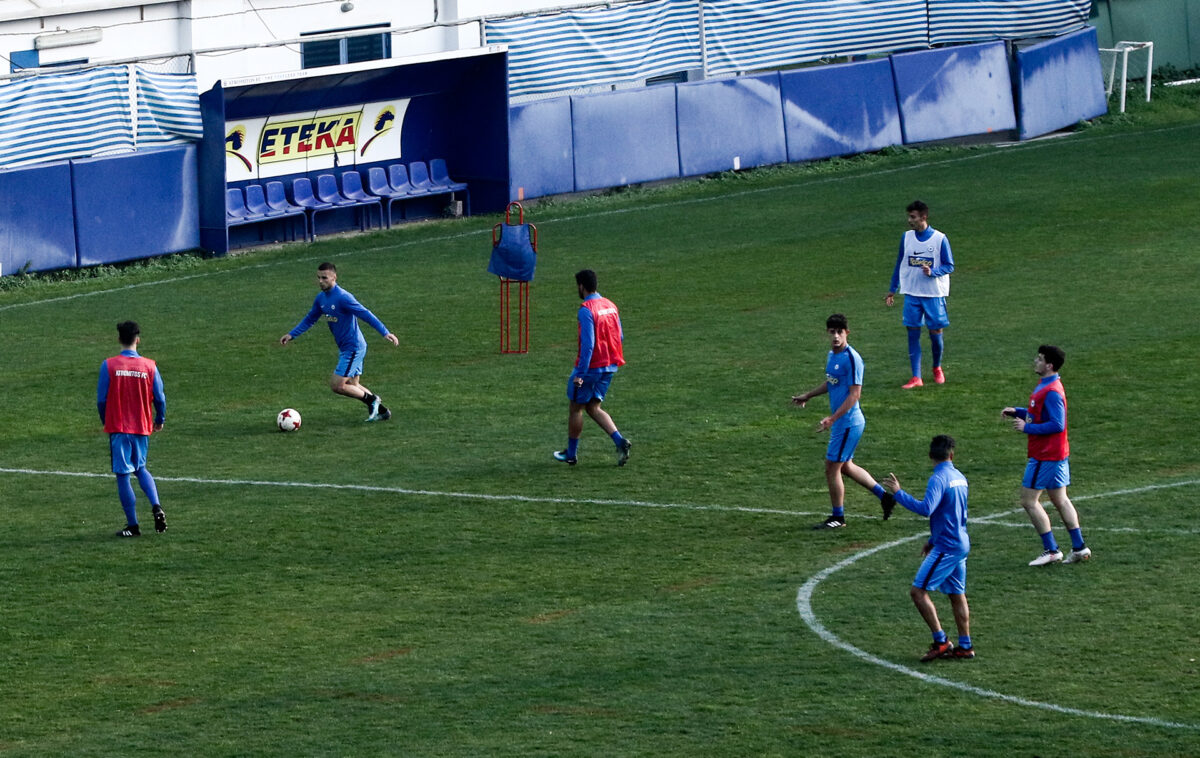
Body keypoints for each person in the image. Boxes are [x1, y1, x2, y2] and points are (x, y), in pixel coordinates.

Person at [791, 313, 895, 529]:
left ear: (847, 333)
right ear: (827, 333)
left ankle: (838, 518)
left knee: (831, 467)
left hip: (848, 421)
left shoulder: (852, 359)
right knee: (845, 465)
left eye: (840, 332)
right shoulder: (832, 355)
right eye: (832, 332)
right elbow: (832, 383)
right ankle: (885, 498)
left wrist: (832, 418)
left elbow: (855, 394)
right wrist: (807, 395)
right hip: (842, 422)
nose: (836, 336)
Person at [883, 434, 973, 661]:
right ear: (951, 455)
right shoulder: (960, 477)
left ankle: (941, 642)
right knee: (956, 594)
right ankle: (965, 645)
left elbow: (927, 509)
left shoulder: (938, 479)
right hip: (960, 541)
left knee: (918, 592)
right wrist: (932, 540)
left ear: (931, 456)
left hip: (948, 546)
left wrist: (899, 493)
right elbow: (956, 515)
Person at [1002, 345, 1091, 566]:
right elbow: (1040, 414)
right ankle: (1079, 547)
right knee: (1060, 499)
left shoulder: (1051, 391)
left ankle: (1051, 550)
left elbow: (1057, 424)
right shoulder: (1049, 386)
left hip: (1046, 455)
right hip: (1057, 454)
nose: (1036, 361)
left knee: (1028, 500)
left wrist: (1027, 428)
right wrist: (1019, 411)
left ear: (1049, 365)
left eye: (1040, 359)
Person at [280, 262, 399, 422]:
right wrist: (292, 334)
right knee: (353, 384)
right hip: (345, 347)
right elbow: (310, 319)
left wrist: (385, 332)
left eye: (324, 278)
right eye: (318, 278)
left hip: (353, 347)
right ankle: (382, 412)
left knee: (337, 385)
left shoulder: (343, 297)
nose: (320, 281)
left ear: (334, 277)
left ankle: (372, 400)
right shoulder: (321, 298)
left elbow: (365, 314)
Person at [554, 269, 632, 466]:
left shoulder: (586, 309)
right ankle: (620, 442)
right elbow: (619, 336)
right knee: (593, 407)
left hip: (591, 367)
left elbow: (588, 345)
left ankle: (571, 454)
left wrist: (580, 374)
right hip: (610, 365)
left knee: (575, 408)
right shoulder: (610, 305)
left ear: (582, 286)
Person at [97, 321, 167, 537]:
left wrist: (105, 421)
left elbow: (101, 400)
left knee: (123, 475)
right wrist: (159, 419)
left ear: (119, 339)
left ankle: (133, 525)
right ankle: (156, 506)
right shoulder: (149, 366)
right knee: (141, 468)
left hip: (119, 427)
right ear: (138, 339)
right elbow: (160, 398)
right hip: (141, 427)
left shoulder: (109, 365)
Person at [885, 200, 955, 389]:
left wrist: (933, 272)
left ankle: (936, 367)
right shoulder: (906, 238)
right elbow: (900, 263)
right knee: (912, 332)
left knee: (935, 334)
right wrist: (892, 289)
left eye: (913, 217)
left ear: (924, 217)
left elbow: (950, 265)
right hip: (912, 293)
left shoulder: (940, 239)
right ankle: (916, 377)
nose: (910, 221)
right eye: (909, 217)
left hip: (933, 294)